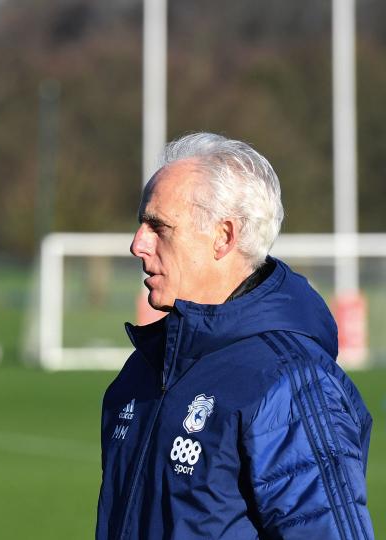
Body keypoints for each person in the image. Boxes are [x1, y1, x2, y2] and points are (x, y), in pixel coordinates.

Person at [96, 133, 374, 539]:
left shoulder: (290, 382)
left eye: (158, 226)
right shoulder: (143, 370)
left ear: (223, 237)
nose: (138, 243)